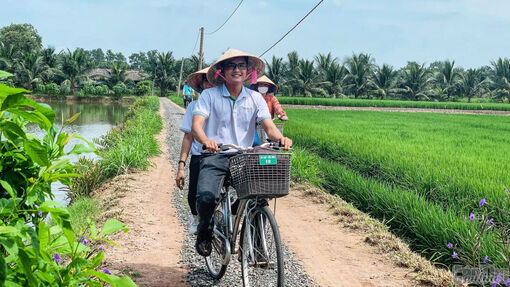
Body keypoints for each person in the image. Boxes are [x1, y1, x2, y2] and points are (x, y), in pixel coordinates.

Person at [191, 48, 292, 256]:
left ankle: (256, 248)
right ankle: (205, 230)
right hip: (215, 155)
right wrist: (206, 141)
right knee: (206, 197)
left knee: (260, 196)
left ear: (248, 71)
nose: (236, 70)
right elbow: (196, 126)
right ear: (221, 71)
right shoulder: (209, 96)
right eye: (231, 65)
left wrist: (279, 138)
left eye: (241, 65)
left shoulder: (255, 99)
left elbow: (268, 127)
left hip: (243, 157)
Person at [175, 67, 215, 234]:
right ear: (202, 85)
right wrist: (181, 165)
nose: (211, 85)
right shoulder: (193, 106)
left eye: (215, 81)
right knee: (194, 194)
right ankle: (195, 216)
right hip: (201, 155)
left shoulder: (225, 102)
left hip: (222, 154)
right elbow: (188, 137)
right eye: (208, 81)